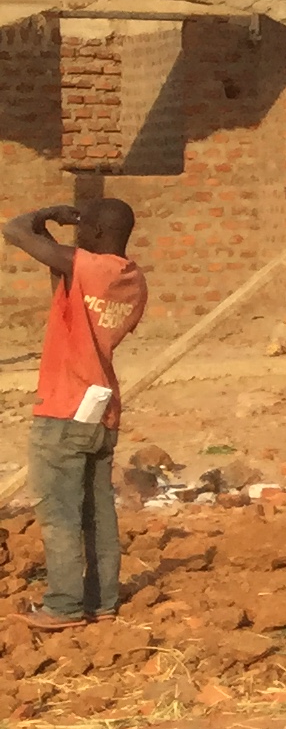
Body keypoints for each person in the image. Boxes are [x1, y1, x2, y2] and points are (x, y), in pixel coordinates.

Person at [7, 198, 148, 628]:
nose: (78, 235)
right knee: (97, 513)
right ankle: (101, 601)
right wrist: (50, 230)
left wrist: (45, 213)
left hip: (65, 406)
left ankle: (64, 605)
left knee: (59, 511)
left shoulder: (90, 266)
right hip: (102, 408)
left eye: (84, 228)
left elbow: (13, 230)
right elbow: (60, 271)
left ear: (100, 233)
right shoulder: (132, 279)